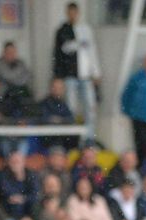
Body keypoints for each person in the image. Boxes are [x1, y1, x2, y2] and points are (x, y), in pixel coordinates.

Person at [52, 2, 101, 135]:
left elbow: (92, 51)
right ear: (67, 13)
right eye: (70, 13)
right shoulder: (62, 30)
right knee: (71, 108)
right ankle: (72, 137)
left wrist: (96, 72)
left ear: (78, 13)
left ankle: (89, 137)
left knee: (90, 108)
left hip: (85, 75)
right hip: (70, 75)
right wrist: (58, 76)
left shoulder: (86, 29)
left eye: (75, 13)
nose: (73, 15)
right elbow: (61, 51)